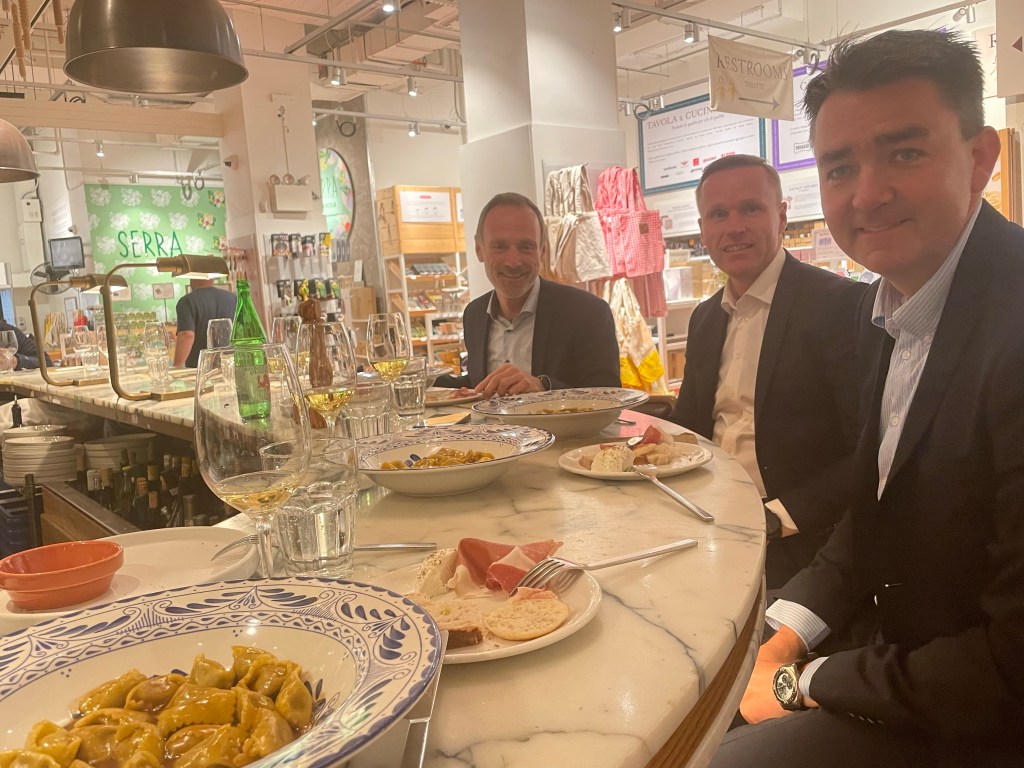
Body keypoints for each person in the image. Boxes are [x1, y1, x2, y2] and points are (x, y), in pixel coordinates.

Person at [711, 29, 1022, 767]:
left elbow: (1012, 661)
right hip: (896, 656)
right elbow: (874, 511)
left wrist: (805, 681)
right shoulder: (884, 310)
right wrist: (787, 632)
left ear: (980, 158)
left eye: (905, 153)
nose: (867, 194)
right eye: (840, 167)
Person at [669, 155, 865, 589]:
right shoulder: (705, 318)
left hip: (803, 541)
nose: (734, 227)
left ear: (781, 216)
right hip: (709, 520)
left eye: (751, 209)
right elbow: (690, 427)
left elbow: (870, 447)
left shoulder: (840, 305)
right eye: (718, 214)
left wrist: (775, 518)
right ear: (703, 230)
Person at [435, 192, 620, 395]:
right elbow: (478, 382)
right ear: (479, 250)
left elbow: (608, 397)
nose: (513, 262)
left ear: (542, 250)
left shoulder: (588, 313)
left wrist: (544, 387)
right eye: (500, 247)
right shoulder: (474, 314)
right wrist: (427, 379)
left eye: (526, 247)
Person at [173, 278, 236, 368]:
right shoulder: (232, 298)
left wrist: (177, 366)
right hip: (229, 364)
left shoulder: (186, 301)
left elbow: (186, 335)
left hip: (199, 367)